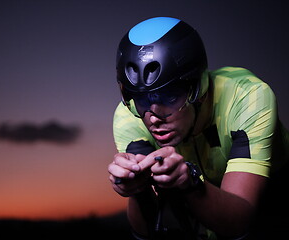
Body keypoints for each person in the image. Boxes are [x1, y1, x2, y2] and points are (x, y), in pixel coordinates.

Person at [107, 16, 289, 240]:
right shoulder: (128, 115)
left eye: (169, 95)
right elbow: (145, 233)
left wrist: (189, 183)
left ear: (197, 87)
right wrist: (137, 188)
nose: (153, 117)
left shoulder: (248, 97)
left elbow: (238, 223)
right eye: (142, 99)